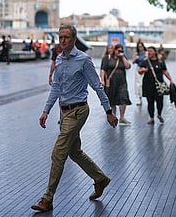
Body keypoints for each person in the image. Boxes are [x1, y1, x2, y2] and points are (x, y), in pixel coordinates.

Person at [31, 25, 118, 213]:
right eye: (60, 37)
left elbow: (97, 86)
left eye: (66, 37)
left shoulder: (83, 60)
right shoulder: (60, 60)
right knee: (74, 152)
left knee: (58, 153)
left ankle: (47, 198)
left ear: (74, 39)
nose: (62, 40)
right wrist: (46, 110)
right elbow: (56, 87)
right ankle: (100, 179)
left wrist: (108, 111)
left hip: (78, 111)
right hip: (64, 112)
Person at [139, 46, 173, 124]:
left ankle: (159, 114)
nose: (149, 53)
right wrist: (142, 70)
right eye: (148, 51)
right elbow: (139, 70)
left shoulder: (160, 61)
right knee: (150, 102)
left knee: (160, 101)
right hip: (148, 85)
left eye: (150, 51)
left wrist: (171, 80)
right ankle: (151, 118)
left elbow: (165, 71)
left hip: (159, 85)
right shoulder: (146, 62)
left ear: (155, 52)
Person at [100, 43, 132, 124]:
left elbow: (128, 66)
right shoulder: (107, 58)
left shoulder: (122, 58)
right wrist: (102, 80)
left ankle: (122, 117)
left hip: (122, 82)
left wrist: (122, 57)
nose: (120, 52)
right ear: (114, 50)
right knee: (112, 100)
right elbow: (103, 69)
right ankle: (113, 116)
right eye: (118, 50)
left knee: (123, 98)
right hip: (111, 82)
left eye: (122, 50)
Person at [132, 41, 147, 106]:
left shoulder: (146, 53)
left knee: (145, 83)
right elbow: (133, 62)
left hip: (145, 69)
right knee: (138, 84)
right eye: (139, 47)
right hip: (138, 69)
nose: (140, 48)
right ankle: (140, 99)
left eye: (141, 46)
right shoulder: (137, 54)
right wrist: (136, 58)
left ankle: (146, 97)